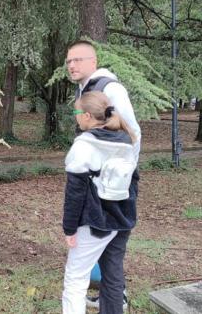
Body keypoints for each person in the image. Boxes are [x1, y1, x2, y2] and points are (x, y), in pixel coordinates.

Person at [66, 40, 141, 309]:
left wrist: (121, 177)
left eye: (77, 59)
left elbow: (133, 133)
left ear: (93, 61)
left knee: (110, 256)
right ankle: (111, 301)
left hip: (113, 192)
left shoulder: (110, 87)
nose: (71, 65)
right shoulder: (88, 88)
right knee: (109, 257)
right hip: (104, 190)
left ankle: (112, 301)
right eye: (68, 61)